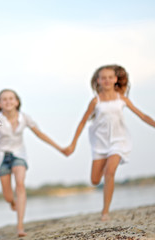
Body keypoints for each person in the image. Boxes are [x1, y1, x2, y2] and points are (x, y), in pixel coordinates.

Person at [64, 65, 155, 221]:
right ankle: (105, 167)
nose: (106, 80)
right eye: (103, 78)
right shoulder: (95, 101)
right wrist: (73, 144)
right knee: (94, 180)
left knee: (110, 171)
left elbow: (143, 116)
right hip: (100, 143)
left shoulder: (122, 99)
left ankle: (105, 211)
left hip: (118, 141)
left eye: (109, 77)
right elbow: (82, 122)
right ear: (98, 80)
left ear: (115, 79)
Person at [0, 89, 66, 237]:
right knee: (8, 196)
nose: (8, 101)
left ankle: (20, 226)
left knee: (20, 185)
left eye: (11, 98)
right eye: (4, 99)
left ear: (17, 102)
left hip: (18, 155)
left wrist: (60, 148)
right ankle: (12, 202)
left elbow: (40, 134)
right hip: (2, 157)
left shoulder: (25, 118)